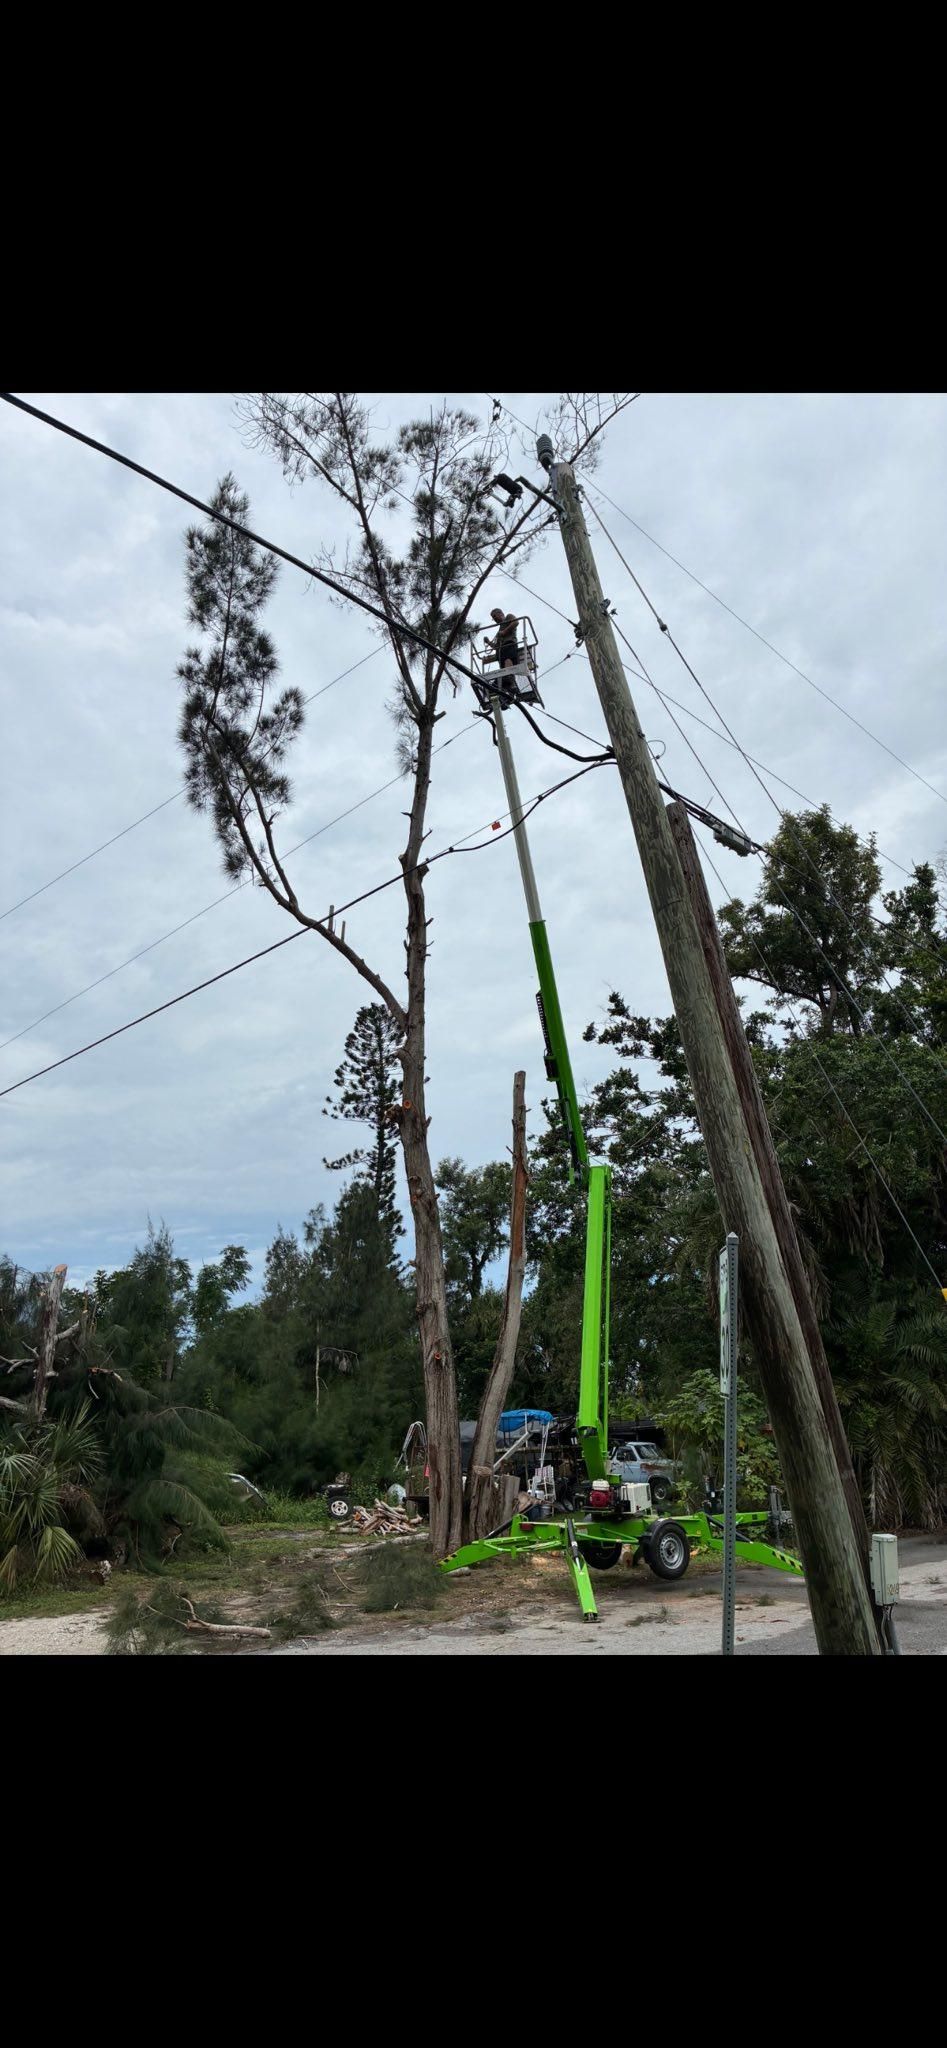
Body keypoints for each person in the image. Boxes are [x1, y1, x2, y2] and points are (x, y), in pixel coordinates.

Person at [487, 607, 521, 671]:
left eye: (494, 616)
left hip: (509, 645)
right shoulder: (499, 631)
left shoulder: (508, 617)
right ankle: (507, 677)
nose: (494, 619)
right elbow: (496, 646)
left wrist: (504, 632)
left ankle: (509, 675)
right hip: (501, 651)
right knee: (503, 666)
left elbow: (516, 622)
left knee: (508, 659)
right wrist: (488, 642)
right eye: (493, 618)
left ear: (501, 613)